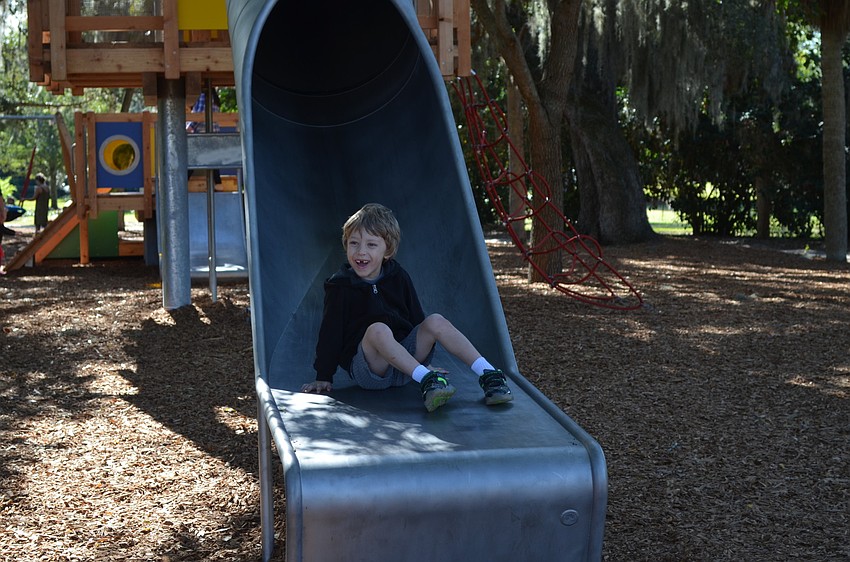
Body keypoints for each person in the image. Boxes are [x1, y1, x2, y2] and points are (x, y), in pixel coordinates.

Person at [302, 203, 513, 412]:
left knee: (435, 320)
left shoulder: (398, 276)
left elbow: (416, 319)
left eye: (371, 245)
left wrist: (423, 360)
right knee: (378, 329)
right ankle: (427, 380)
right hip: (372, 370)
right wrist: (323, 376)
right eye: (354, 243)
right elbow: (330, 332)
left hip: (405, 364)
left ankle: (489, 374)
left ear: (388, 250)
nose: (361, 252)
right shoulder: (339, 286)